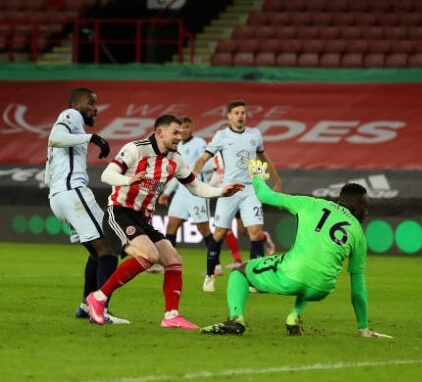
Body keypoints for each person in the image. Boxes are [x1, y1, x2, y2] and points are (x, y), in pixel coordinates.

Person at [199, 159, 392, 338]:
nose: (366, 212)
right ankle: (294, 316)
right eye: (364, 206)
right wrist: (363, 327)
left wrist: (256, 178)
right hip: (322, 289)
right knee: (309, 275)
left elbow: (265, 195)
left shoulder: (309, 203)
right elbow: (358, 288)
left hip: (292, 277)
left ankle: (236, 320)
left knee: (239, 272)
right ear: (355, 204)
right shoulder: (358, 234)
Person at [85, 114, 244, 329]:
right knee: (150, 255)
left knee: (173, 259)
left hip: (143, 219)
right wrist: (127, 180)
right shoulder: (135, 149)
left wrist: (221, 192)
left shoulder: (175, 160)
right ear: (160, 133)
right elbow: (107, 175)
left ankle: (171, 315)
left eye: (181, 132)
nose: (180, 136)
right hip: (120, 212)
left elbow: (195, 186)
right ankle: (99, 297)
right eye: (175, 133)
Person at [45, 87, 129, 324]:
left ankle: (85, 305)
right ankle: (100, 310)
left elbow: (49, 169)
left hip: (59, 196)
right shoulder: (71, 115)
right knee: (109, 248)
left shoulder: (75, 126)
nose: (96, 107)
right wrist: (92, 138)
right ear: (77, 103)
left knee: (95, 252)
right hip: (73, 192)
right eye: (91, 102)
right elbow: (56, 138)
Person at [192, 101, 281, 292]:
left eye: (243, 112)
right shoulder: (222, 136)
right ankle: (209, 276)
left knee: (255, 233)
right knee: (219, 234)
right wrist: (192, 178)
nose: (241, 115)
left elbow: (264, 158)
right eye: (237, 113)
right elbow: (203, 158)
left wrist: (277, 180)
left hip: (251, 189)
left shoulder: (254, 134)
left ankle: (254, 279)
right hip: (229, 190)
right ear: (229, 116)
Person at [153, 116, 218, 274]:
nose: (185, 130)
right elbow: (177, 173)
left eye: (188, 127)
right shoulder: (177, 146)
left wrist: (195, 170)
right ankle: (167, 264)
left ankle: (216, 265)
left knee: (203, 229)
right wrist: (167, 193)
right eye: (183, 128)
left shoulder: (200, 143)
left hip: (195, 191)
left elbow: (211, 164)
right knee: (171, 227)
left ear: (192, 128)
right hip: (181, 193)